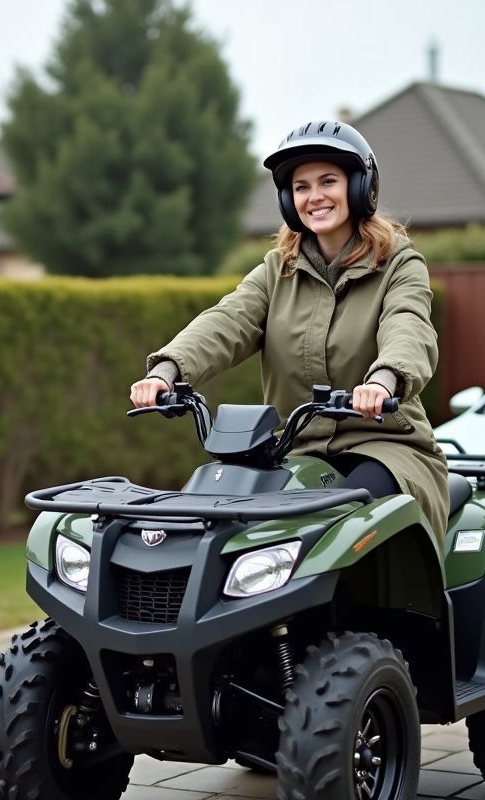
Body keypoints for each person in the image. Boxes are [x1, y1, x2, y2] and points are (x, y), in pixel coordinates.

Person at [130, 121, 449, 547]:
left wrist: (383, 379)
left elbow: (408, 324)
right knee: (214, 526)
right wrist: (166, 370)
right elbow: (228, 321)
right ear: (287, 199)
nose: (314, 196)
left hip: (386, 445)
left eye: (328, 181)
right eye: (301, 187)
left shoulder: (399, 264)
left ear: (361, 187)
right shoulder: (276, 270)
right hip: (293, 454)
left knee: (334, 529)